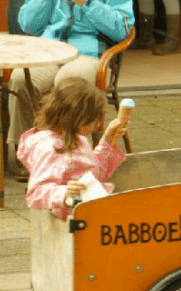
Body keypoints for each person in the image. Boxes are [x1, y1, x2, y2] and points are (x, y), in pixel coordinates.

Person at [7, 0, 135, 181]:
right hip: (50, 52)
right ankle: (27, 154)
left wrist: (87, 3)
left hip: (88, 56)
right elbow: (27, 25)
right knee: (21, 78)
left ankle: (68, 155)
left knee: (67, 82)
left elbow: (122, 29)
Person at [17, 78, 127, 221]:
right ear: (77, 118)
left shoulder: (78, 138)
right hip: (68, 222)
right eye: (94, 119)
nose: (99, 125)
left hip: (89, 211)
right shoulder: (49, 149)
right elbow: (35, 194)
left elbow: (94, 173)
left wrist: (107, 141)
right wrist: (62, 192)